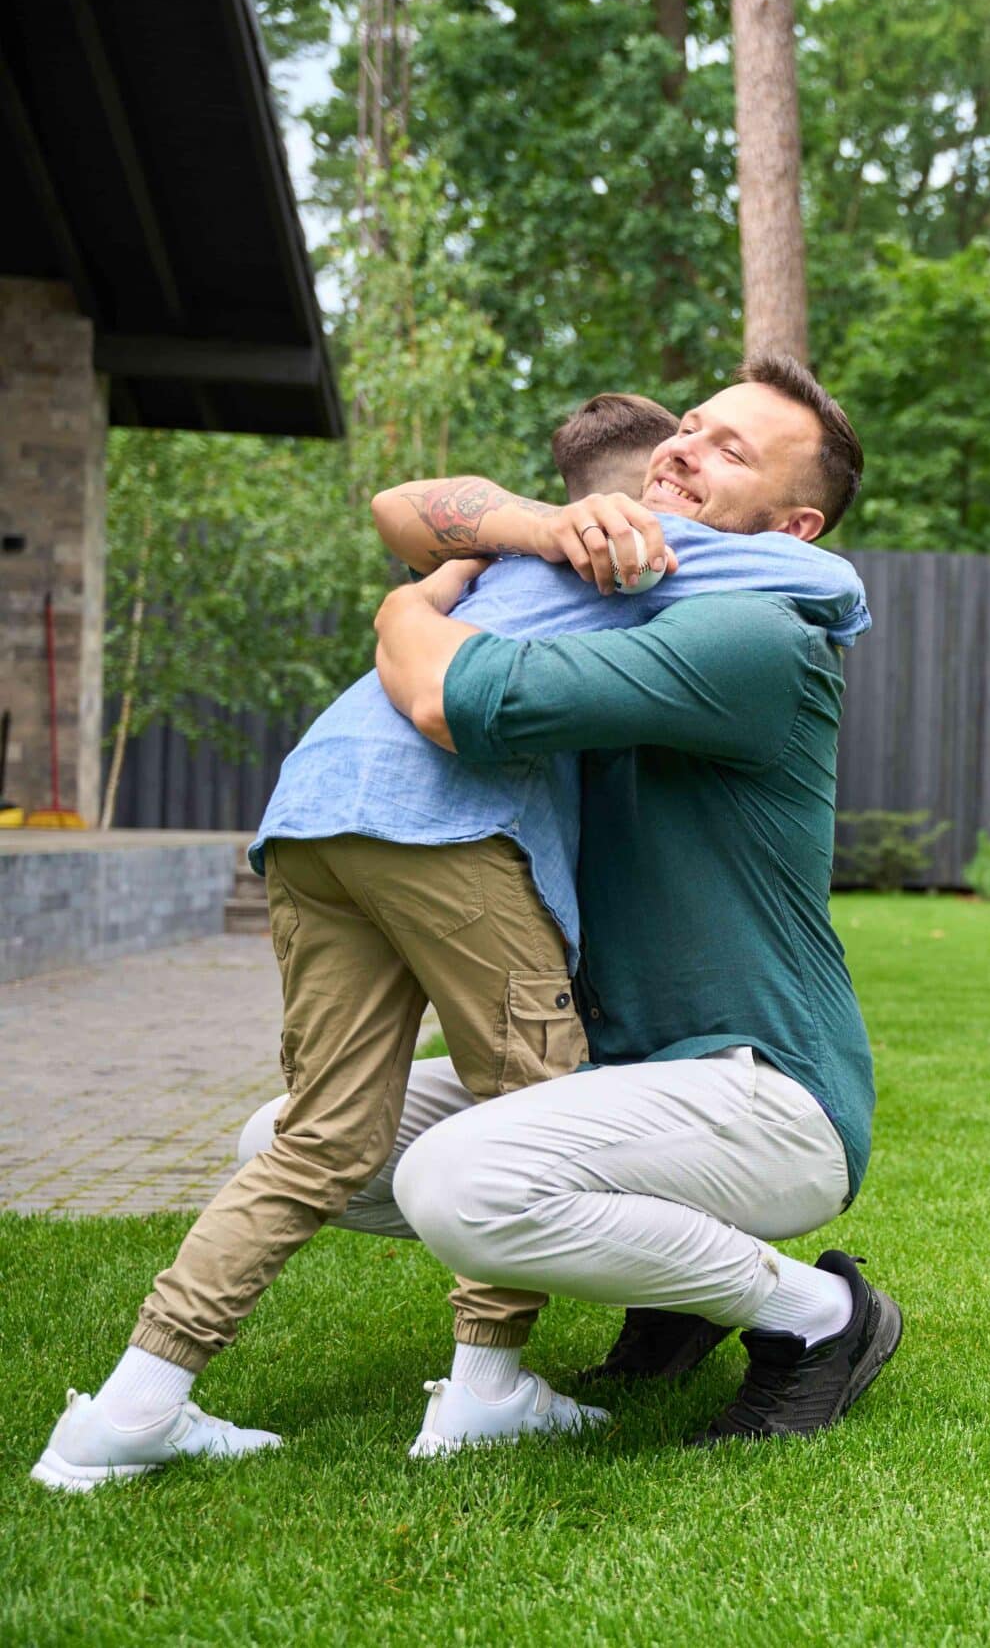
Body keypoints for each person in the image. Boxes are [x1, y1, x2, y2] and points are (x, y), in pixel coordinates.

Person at [31, 385, 871, 1491]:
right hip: (632, 1078)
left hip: (763, 1090)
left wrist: (406, 614)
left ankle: (822, 1313)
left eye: (731, 448)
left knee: (462, 1184)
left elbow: (442, 697)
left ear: (795, 526)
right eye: (688, 426)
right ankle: (671, 1295)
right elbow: (424, 510)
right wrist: (510, 536)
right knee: (287, 1137)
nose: (684, 450)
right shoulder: (616, 590)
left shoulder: (751, 631)